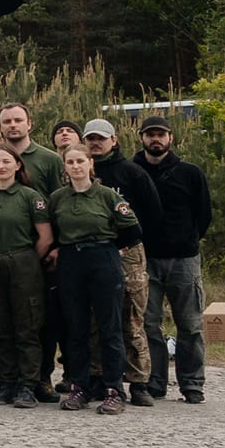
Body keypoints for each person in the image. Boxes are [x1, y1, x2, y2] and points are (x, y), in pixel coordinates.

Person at [49, 144, 136, 415]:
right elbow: (51, 229)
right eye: (70, 162)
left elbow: (132, 230)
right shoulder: (58, 198)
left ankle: (113, 389)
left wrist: (110, 248)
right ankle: (80, 386)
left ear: (90, 164)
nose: (75, 166)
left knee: (109, 327)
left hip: (103, 258)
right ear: (64, 166)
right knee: (76, 327)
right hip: (71, 260)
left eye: (80, 161)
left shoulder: (107, 196)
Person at [134, 115, 212, 403]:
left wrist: (187, 240)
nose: (156, 139)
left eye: (161, 134)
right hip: (145, 258)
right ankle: (155, 382)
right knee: (148, 323)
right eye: (150, 134)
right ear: (141, 138)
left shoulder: (190, 173)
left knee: (190, 324)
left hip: (184, 259)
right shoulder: (133, 171)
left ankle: (192, 383)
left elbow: (204, 214)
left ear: (170, 138)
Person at [83, 118, 160, 406]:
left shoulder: (132, 173)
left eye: (101, 138)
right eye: (90, 138)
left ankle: (139, 381)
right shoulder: (78, 173)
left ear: (114, 140)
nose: (95, 143)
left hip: (128, 253)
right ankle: (98, 378)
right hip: (92, 253)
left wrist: (130, 245)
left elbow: (152, 214)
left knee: (131, 317)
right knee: (94, 318)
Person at [0, 146, 53, 408]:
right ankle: (6, 383)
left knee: (27, 326)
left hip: (23, 263)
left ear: (18, 165)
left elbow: (45, 237)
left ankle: (28, 385)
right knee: (0, 326)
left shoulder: (31, 197)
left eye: (6, 161)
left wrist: (28, 259)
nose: (0, 166)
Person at [0, 102, 64, 196]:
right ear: (1, 127)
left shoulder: (51, 159)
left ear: (29, 124)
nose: (12, 125)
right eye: (7, 121)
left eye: (18, 120)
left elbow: (60, 199)